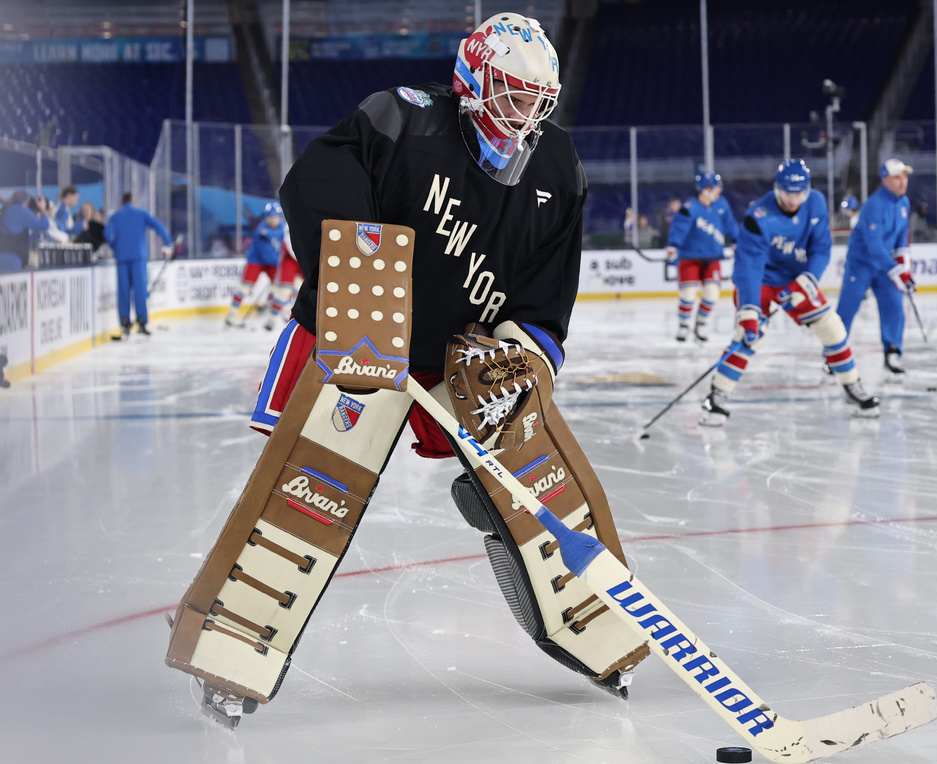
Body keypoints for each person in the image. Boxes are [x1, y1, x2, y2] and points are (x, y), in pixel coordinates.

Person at [165, 12, 651, 727]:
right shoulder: (399, 119)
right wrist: (364, 290)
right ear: (472, 80)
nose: (525, 114)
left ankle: (602, 638)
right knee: (306, 497)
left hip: (467, 359)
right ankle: (233, 652)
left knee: (540, 493)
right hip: (364, 343)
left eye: (536, 100)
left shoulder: (557, 167)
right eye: (511, 94)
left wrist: (520, 352)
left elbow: (549, 293)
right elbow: (313, 187)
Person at [699, 159, 879, 425]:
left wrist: (806, 282)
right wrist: (749, 311)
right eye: (787, 194)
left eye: (799, 194)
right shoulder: (758, 217)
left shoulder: (816, 202)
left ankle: (852, 387)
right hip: (761, 281)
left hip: (796, 279)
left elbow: (821, 248)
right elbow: (749, 267)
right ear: (777, 190)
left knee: (833, 329)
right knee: (748, 336)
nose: (794, 200)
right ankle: (716, 396)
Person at [836, 158, 915, 382]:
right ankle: (833, 355)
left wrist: (905, 265)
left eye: (905, 176)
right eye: (898, 177)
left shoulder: (904, 203)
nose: (903, 181)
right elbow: (874, 246)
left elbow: (902, 235)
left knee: (894, 306)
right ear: (885, 180)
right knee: (847, 309)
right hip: (861, 263)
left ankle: (892, 352)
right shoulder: (874, 205)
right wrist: (895, 269)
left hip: (885, 266)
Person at [666, 171, 737, 342]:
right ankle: (684, 325)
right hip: (690, 257)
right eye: (716, 187)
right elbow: (678, 228)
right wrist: (673, 246)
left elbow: (730, 225)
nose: (719, 191)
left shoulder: (721, 205)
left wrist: (737, 241)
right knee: (688, 294)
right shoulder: (689, 208)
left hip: (713, 257)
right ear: (706, 189)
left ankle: (701, 323)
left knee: (712, 293)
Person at [104, 192, 171, 339]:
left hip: (122, 258)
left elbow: (107, 234)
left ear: (122, 202)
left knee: (123, 291)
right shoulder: (141, 213)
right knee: (140, 290)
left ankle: (124, 323)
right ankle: (141, 322)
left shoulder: (115, 216)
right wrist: (168, 243)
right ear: (133, 201)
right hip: (138, 257)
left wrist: (116, 246)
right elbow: (159, 226)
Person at [225, 201, 286, 327]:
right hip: (257, 261)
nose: (273, 220)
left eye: (276, 217)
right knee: (244, 288)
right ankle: (231, 315)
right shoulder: (262, 232)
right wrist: (281, 263)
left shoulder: (283, 228)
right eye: (271, 217)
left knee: (280, 287)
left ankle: (271, 309)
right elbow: (267, 254)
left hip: (273, 263)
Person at [0, 191, 51, 272]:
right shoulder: (21, 210)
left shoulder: (7, 210)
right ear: (27, 202)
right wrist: (42, 210)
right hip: (13, 259)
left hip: (4, 254)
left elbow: (27, 237)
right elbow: (44, 226)